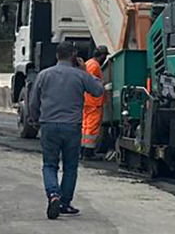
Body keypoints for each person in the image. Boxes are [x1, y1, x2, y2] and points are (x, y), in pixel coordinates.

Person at [29, 41, 104, 220]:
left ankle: (53, 195)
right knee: (70, 167)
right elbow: (98, 90)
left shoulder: (44, 75)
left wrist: (35, 119)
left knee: (49, 164)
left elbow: (33, 101)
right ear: (73, 56)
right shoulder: (79, 75)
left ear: (57, 55)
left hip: (48, 125)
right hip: (72, 127)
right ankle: (64, 202)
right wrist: (84, 70)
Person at [81, 45, 109, 160]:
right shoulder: (94, 65)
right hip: (93, 101)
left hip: (88, 101)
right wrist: (103, 85)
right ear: (101, 55)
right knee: (92, 127)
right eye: (104, 56)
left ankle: (83, 150)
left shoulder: (89, 63)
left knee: (86, 126)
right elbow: (91, 81)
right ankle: (88, 152)